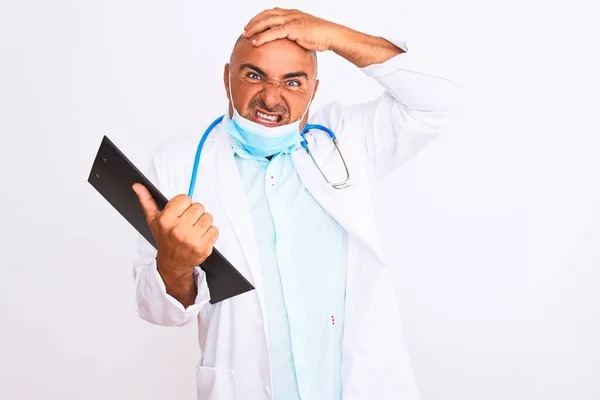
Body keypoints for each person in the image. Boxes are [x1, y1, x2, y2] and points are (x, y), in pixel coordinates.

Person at [131, 7, 462, 400]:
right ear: (226, 78)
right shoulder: (178, 163)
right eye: (254, 75)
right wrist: (173, 262)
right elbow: (159, 311)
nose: (271, 98)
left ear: (314, 91)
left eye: (293, 81)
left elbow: (439, 101)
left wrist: (334, 36)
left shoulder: (345, 140)